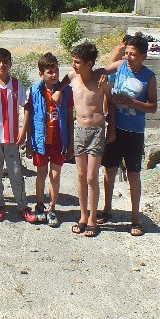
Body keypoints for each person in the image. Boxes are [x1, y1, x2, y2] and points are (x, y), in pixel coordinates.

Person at [100, 34, 157, 236]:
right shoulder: (121, 67)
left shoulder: (149, 77)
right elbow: (102, 69)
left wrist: (131, 102)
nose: (129, 57)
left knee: (133, 175)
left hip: (134, 132)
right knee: (109, 171)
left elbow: (153, 107)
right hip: (115, 128)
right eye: (127, 53)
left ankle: (135, 217)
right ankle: (107, 209)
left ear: (143, 56)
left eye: (133, 54)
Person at [65, 42, 114, 238]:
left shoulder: (101, 79)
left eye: (77, 62)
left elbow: (110, 102)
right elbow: (57, 84)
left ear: (89, 63)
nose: (74, 65)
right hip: (79, 130)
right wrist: (59, 91)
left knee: (92, 177)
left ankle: (93, 218)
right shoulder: (71, 77)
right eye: (73, 61)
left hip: (96, 131)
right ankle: (83, 215)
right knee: (80, 175)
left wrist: (112, 129)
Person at [0, 48, 36, 223]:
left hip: (13, 138)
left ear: (10, 64)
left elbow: (26, 107)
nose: (1, 65)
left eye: (5, 62)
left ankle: (22, 206)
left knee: (15, 173)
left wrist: (23, 131)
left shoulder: (16, 84)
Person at [24, 52, 73, 228]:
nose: (54, 75)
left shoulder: (66, 91)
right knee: (41, 174)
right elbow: (29, 117)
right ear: (41, 74)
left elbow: (69, 118)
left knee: (55, 175)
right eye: (49, 72)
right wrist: (28, 142)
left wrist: (71, 142)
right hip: (40, 140)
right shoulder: (35, 90)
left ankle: (52, 208)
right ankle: (39, 205)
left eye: (56, 70)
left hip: (59, 140)